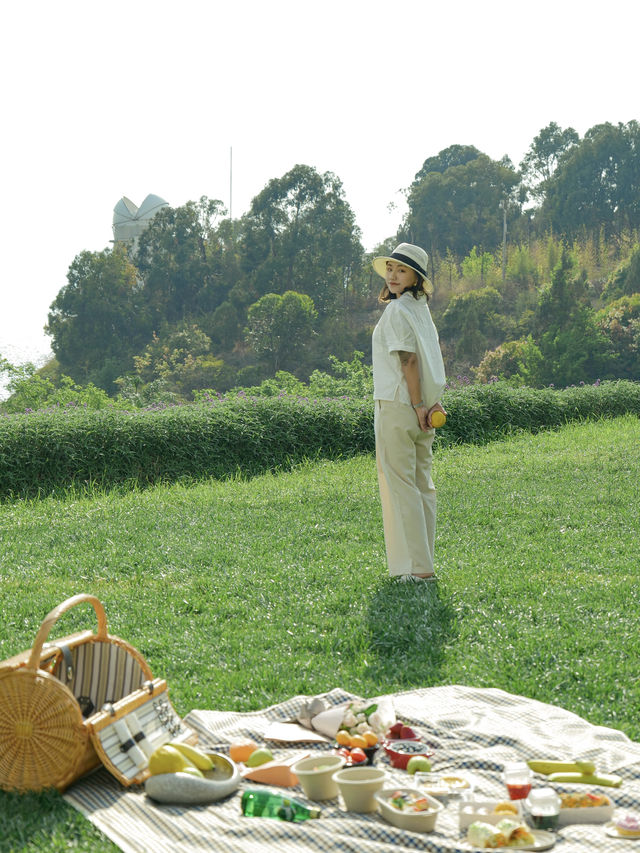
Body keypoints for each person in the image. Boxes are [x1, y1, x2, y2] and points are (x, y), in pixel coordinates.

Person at [371, 242, 446, 581]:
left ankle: (418, 569)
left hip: (401, 407)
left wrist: (417, 404)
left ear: (416, 277)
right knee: (422, 486)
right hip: (424, 410)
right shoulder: (420, 309)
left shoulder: (398, 311)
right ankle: (423, 564)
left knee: (403, 487)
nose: (393, 275)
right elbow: (430, 358)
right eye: (391, 269)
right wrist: (431, 402)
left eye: (401, 270)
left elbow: (409, 360)